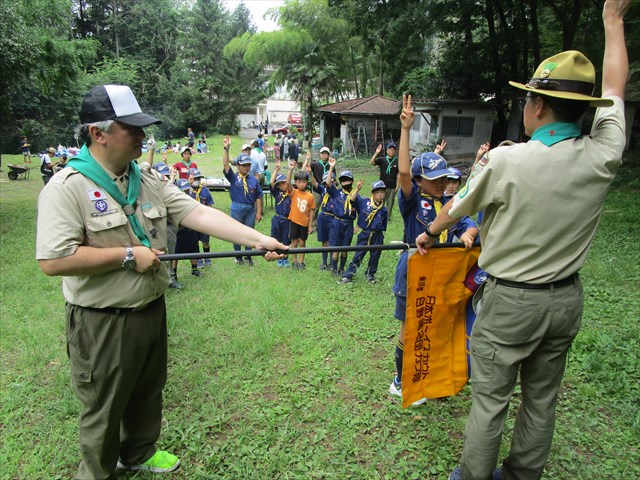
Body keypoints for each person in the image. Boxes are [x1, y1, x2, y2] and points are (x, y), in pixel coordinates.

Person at [416, 2, 629, 478]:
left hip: (510, 302)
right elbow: (615, 88)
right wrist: (613, 23)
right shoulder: (603, 155)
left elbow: (456, 206)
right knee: (541, 400)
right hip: (565, 301)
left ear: (537, 106)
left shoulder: (507, 162)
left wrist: (430, 233)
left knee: (490, 401)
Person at [35, 84, 285, 480]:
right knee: (104, 406)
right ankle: (97, 472)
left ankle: (138, 452)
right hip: (103, 320)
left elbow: (197, 215)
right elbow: (53, 259)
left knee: (148, 391)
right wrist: (128, 254)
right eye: (131, 128)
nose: (142, 136)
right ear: (98, 133)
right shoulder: (67, 188)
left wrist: (259, 239)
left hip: (151, 309)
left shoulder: (145, 178)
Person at [389, 98, 479, 408]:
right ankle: (400, 381)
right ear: (418, 181)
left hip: (442, 275)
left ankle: (430, 379)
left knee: (432, 326)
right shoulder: (413, 200)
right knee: (409, 327)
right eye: (434, 179)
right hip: (414, 270)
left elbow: (469, 222)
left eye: (444, 178)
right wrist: (405, 129)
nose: (441, 183)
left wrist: (468, 233)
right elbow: (402, 172)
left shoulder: (450, 204)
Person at [222, 135, 264, 266]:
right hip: (237, 208)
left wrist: (258, 212)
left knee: (249, 233)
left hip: (250, 209)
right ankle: (238, 256)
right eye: (244, 165)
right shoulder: (234, 178)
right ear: (238, 166)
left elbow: (258, 195)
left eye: (248, 165)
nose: (246, 167)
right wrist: (226, 149)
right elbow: (225, 164)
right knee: (236, 233)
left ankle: (248, 255)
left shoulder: (253, 179)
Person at [339, 179, 388, 284]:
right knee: (358, 255)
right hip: (365, 234)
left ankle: (370, 274)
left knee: (375, 256)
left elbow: (383, 225)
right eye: (377, 192)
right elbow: (352, 200)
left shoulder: (383, 209)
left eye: (382, 192)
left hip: (377, 235)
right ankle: (348, 275)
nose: (380, 195)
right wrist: (357, 188)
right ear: (373, 193)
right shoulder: (364, 202)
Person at [324, 158, 358, 275]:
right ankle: (334, 268)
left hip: (348, 224)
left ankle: (342, 268)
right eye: (343, 180)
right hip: (336, 222)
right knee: (335, 247)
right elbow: (327, 183)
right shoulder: (336, 192)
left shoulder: (355, 195)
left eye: (348, 180)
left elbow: (360, 210)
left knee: (345, 248)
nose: (345, 182)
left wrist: (358, 225)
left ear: (352, 181)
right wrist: (331, 167)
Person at [285, 155, 315, 270]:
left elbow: (312, 211)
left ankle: (302, 262)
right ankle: (295, 262)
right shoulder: (294, 192)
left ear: (306, 183)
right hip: (294, 221)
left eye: (304, 182)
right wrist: (290, 170)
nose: (302, 184)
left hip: (304, 223)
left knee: (302, 243)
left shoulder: (310, 196)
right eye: (299, 182)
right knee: (294, 242)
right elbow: (287, 184)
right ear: (296, 182)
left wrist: (310, 225)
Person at [172, 179, 203, 278]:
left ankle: (194, 269)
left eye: (186, 190)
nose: (185, 192)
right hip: (178, 231)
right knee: (175, 253)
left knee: (192, 249)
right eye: (183, 190)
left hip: (190, 229)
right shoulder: (173, 201)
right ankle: (173, 273)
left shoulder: (190, 199)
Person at [310, 168, 336, 270]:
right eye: (325, 182)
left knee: (331, 241)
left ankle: (331, 262)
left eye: (329, 181)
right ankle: (324, 262)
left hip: (332, 217)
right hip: (323, 217)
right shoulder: (323, 189)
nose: (327, 183)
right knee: (324, 240)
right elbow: (315, 184)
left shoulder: (336, 192)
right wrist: (310, 174)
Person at [189, 168, 215, 268]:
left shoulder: (205, 190)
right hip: (192, 221)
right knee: (194, 242)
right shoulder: (186, 191)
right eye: (195, 178)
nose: (197, 180)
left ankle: (207, 257)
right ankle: (198, 259)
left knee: (205, 241)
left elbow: (209, 205)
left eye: (199, 178)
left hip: (204, 221)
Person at [270, 159, 292, 268]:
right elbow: (271, 183)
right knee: (277, 239)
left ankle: (285, 258)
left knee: (286, 239)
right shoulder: (277, 193)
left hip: (287, 220)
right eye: (280, 184)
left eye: (284, 183)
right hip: (277, 219)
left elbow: (288, 182)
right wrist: (276, 169)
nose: (282, 185)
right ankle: (279, 257)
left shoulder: (290, 194)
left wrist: (290, 170)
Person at [370, 141, 399, 220]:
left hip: (392, 186)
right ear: (386, 150)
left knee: (390, 203)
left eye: (393, 149)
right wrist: (376, 153)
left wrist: (398, 185)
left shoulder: (397, 161)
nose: (391, 151)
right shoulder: (382, 160)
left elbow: (398, 174)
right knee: (380, 201)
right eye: (390, 149)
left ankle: (387, 218)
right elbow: (372, 162)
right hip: (382, 186)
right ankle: (378, 214)